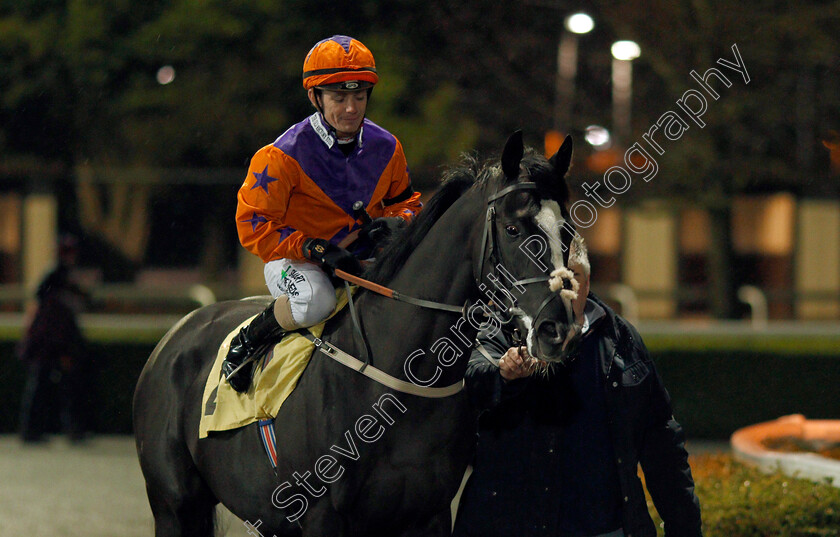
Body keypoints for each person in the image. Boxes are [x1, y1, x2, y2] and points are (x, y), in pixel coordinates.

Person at [453, 238, 703, 537]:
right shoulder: (504, 328)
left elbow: (661, 441)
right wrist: (503, 375)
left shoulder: (620, 337)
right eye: (549, 279)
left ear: (586, 280)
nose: (560, 292)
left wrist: (685, 528)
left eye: (570, 279)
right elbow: (473, 383)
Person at [223, 35, 422, 392]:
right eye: (339, 97)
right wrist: (311, 248)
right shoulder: (279, 156)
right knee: (316, 300)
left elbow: (407, 204)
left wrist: (398, 221)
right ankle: (251, 337)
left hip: (362, 261)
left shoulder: (388, 147)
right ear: (315, 97)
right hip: (297, 262)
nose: (351, 108)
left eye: (359, 96)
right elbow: (252, 225)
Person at [17, 235, 91, 443]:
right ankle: (59, 430)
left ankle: (36, 430)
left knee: (48, 387)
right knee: (56, 387)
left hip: (52, 344)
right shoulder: (58, 278)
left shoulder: (59, 277)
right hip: (53, 344)